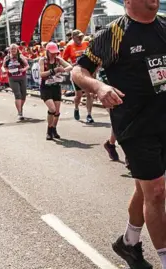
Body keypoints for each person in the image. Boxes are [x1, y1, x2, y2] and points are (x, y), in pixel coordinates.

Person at [72, 0, 166, 268]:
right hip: (135, 127)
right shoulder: (112, 34)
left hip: (164, 120)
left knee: (146, 187)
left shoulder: (164, 26)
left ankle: (128, 243)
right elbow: (79, 70)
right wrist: (99, 87)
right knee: (157, 192)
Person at [38, 42, 72, 140]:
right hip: (46, 87)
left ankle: (54, 129)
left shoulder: (58, 59)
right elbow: (41, 74)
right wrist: (54, 71)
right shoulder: (42, 60)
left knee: (57, 111)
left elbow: (70, 66)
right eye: (52, 52)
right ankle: (49, 130)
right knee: (52, 109)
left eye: (55, 52)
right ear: (47, 51)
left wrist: (63, 70)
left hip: (56, 86)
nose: (54, 54)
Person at [63, 29, 94, 123]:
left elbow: (92, 56)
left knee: (90, 93)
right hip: (76, 73)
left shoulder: (86, 44)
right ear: (73, 37)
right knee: (79, 95)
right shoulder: (69, 46)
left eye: (81, 36)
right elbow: (62, 60)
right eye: (78, 37)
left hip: (87, 72)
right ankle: (76, 108)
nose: (80, 38)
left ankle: (89, 114)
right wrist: (70, 66)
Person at [2, 44, 30, 121]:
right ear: (9, 50)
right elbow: (3, 66)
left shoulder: (21, 57)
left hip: (22, 77)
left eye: (14, 49)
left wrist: (23, 70)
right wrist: (5, 70)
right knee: (18, 94)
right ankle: (20, 113)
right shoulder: (7, 58)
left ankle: (20, 108)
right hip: (12, 78)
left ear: (17, 49)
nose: (13, 50)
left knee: (23, 95)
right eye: (12, 49)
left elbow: (27, 66)